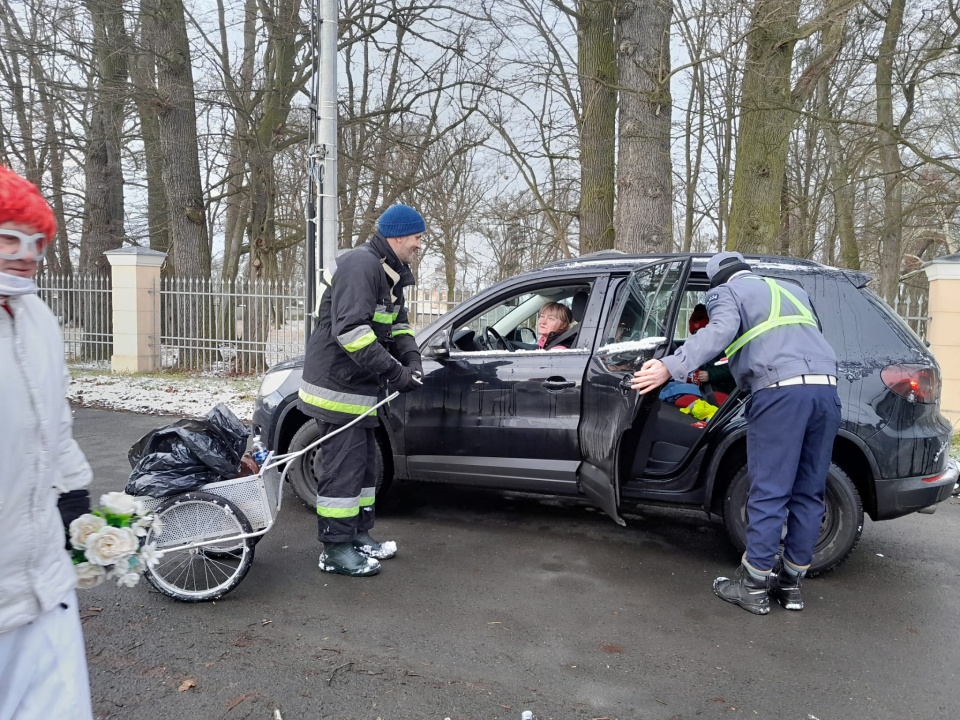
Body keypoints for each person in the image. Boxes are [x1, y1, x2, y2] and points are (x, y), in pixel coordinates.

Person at [630, 251, 841, 615]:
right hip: (825, 392)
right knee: (809, 491)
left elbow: (719, 332)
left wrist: (670, 366)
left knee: (770, 490)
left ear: (718, 281)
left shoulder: (727, 292)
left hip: (780, 395)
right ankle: (790, 586)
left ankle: (754, 587)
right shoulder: (793, 291)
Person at [0, 166, 95, 718]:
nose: (25, 254)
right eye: (8, 238)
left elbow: (53, 422)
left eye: (34, 241)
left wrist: (74, 494)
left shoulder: (37, 318)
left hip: (44, 587)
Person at [298, 204, 425, 577]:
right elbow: (351, 332)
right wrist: (395, 373)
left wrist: (412, 360)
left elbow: (397, 323)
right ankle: (335, 550)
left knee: (366, 467)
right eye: (417, 238)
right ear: (399, 236)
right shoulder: (362, 266)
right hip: (337, 389)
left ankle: (358, 535)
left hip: (359, 389)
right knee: (343, 470)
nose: (419, 245)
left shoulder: (388, 272)